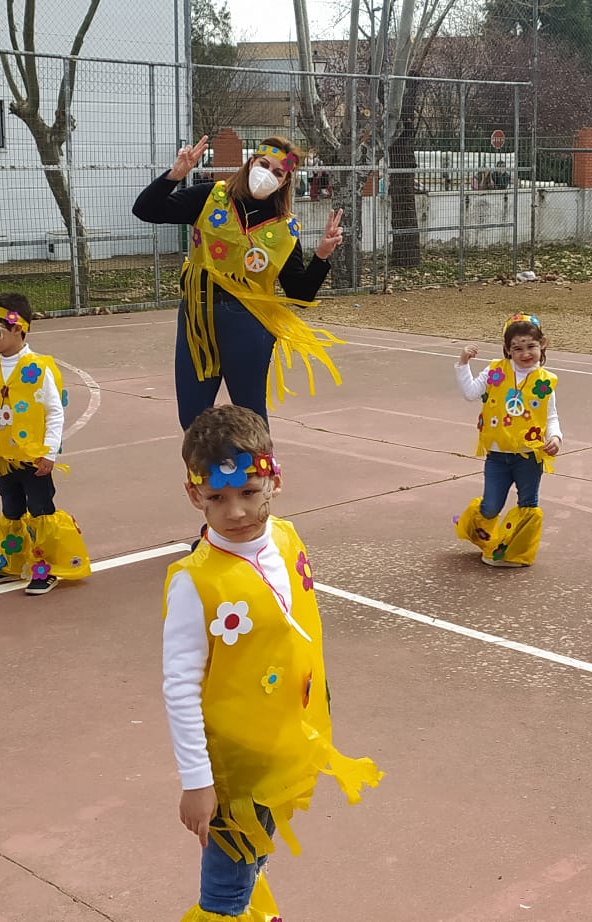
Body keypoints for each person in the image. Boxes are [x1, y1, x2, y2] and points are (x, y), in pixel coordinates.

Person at [162, 405, 382, 922]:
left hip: (282, 748)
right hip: (235, 771)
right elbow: (180, 687)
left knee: (253, 859)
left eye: (247, 494)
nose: (235, 512)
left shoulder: (285, 538)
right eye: (216, 498)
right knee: (225, 890)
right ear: (194, 494)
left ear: (273, 482)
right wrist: (197, 781)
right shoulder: (195, 582)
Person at [132, 135, 350, 430]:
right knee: (193, 419)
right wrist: (176, 175)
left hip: (247, 325)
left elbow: (300, 294)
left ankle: (259, 475)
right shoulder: (210, 198)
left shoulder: (284, 229)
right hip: (197, 321)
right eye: (264, 165)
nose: (268, 175)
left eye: (278, 172)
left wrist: (322, 255)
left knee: (250, 418)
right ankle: (202, 476)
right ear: (251, 163)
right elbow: (146, 210)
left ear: (285, 181)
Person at [0, 294, 91, 595]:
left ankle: (46, 568)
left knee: (40, 509)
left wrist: (49, 452)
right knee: (11, 508)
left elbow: (54, 411)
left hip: (33, 457)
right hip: (3, 456)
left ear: (18, 328)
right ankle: (10, 563)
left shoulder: (39, 367)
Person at [453, 314, 561, 568]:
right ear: (508, 350)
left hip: (529, 456)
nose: (525, 354)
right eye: (517, 348)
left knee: (528, 504)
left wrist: (555, 437)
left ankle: (514, 552)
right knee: (490, 505)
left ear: (542, 344)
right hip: (498, 455)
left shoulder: (546, 381)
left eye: (531, 346)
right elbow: (470, 393)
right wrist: (463, 363)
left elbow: (551, 415)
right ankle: (475, 529)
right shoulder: (495, 370)